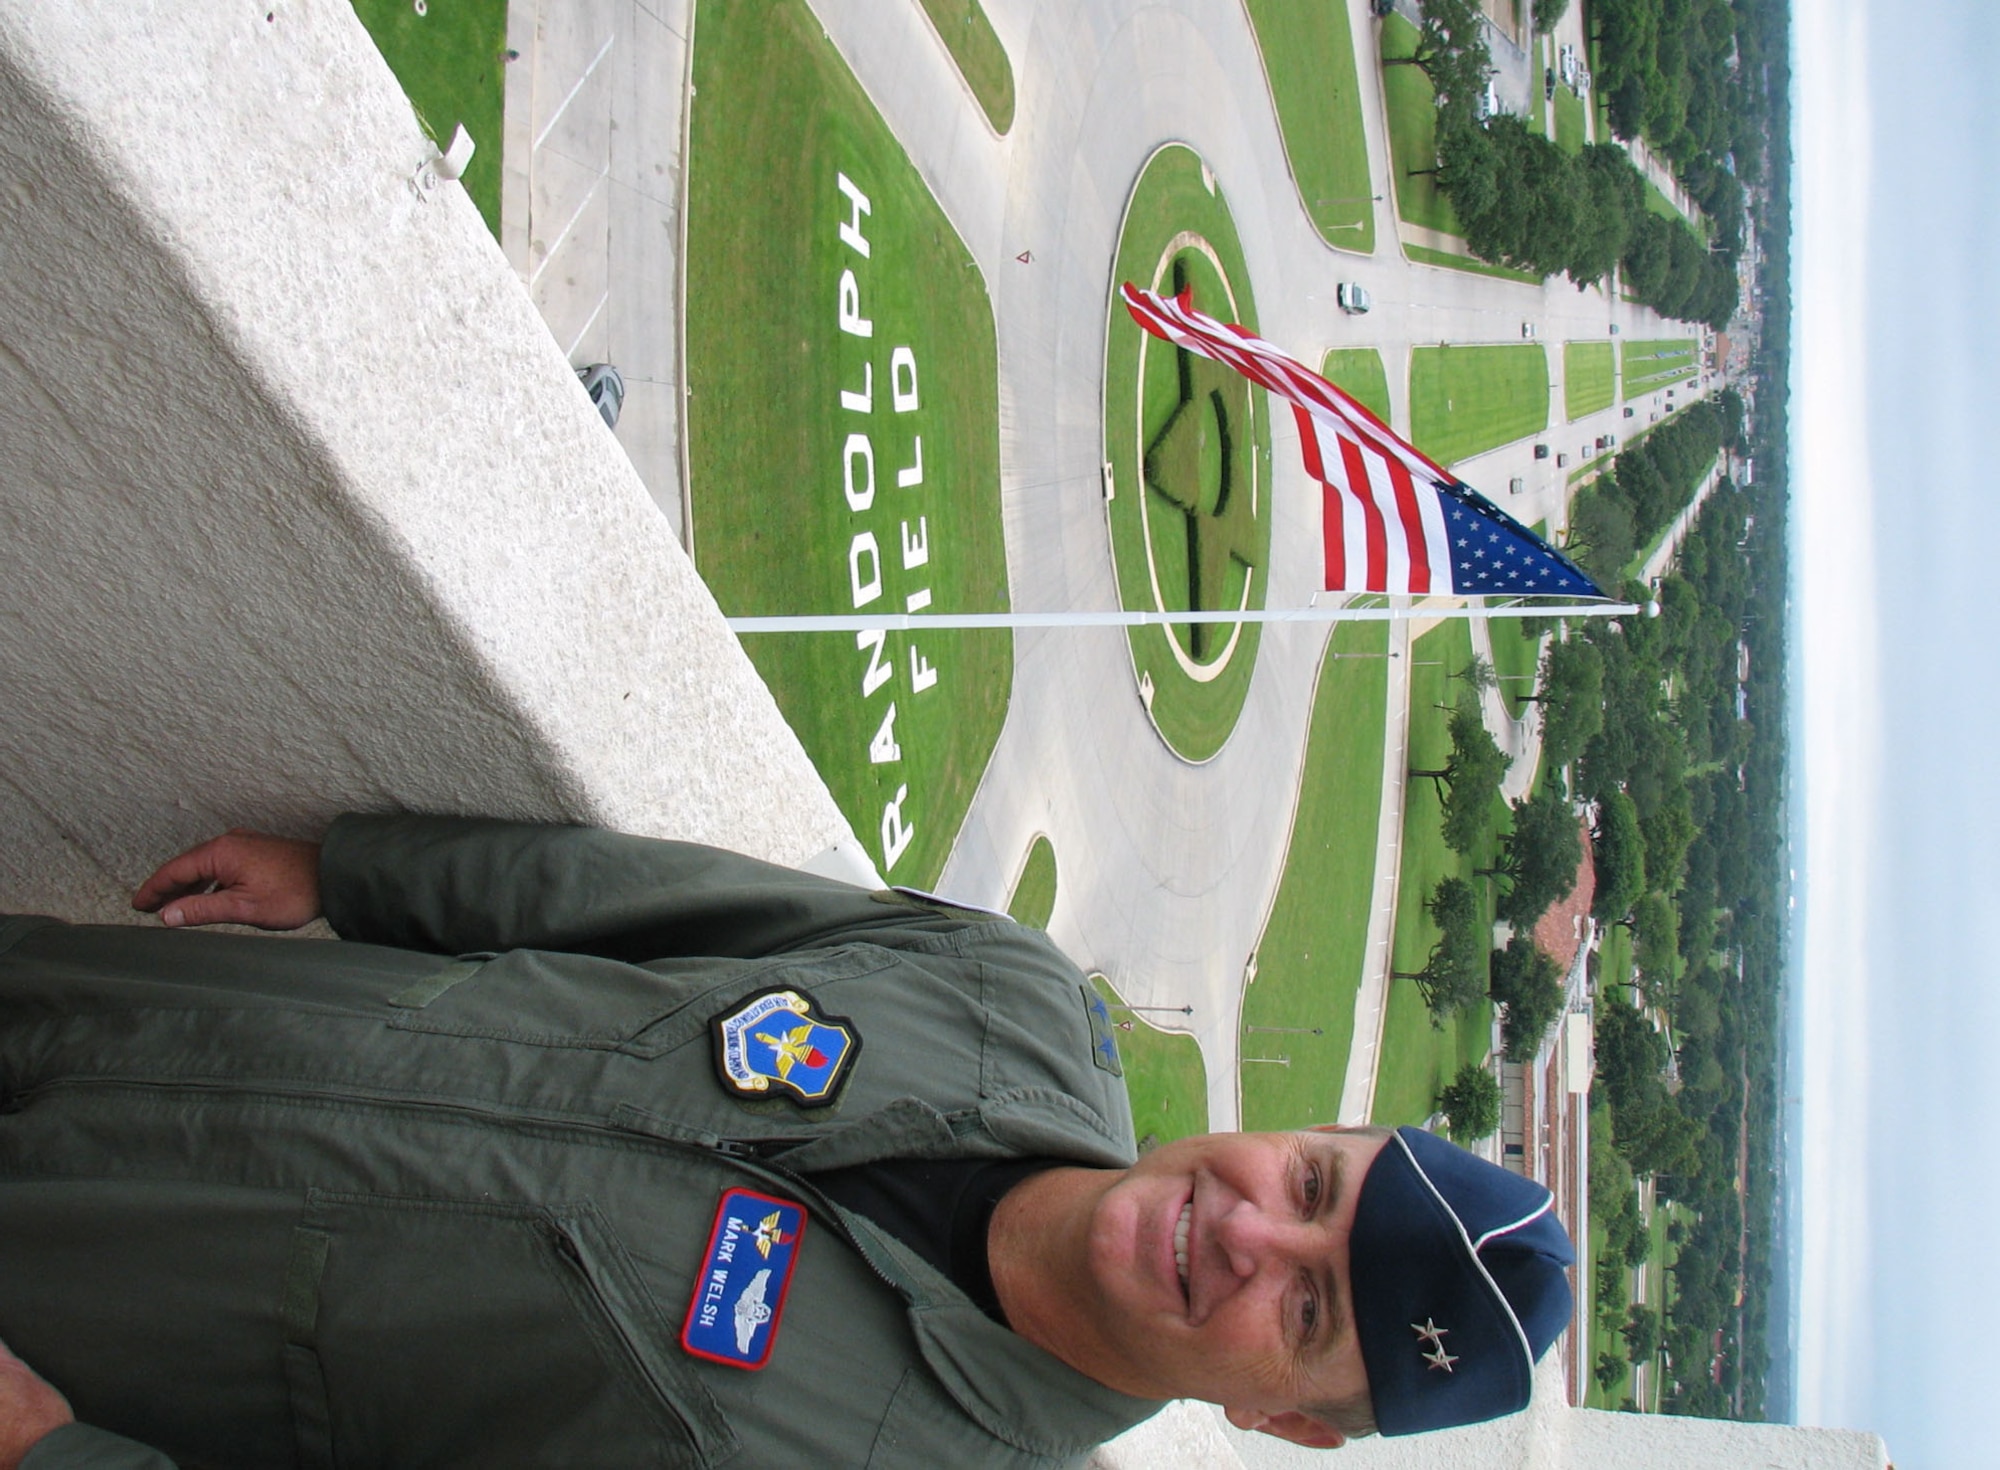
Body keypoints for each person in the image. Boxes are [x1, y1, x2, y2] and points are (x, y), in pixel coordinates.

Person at [0, 816, 1573, 1467]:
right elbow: (626, 899)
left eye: (1309, 1309)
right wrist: (347, 865)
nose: (1246, 1233)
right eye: (1311, 1187)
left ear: (1288, 1425)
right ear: (1299, 1129)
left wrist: (63, 1457)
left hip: (84, 1310)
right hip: (134, 1008)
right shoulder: (1005, 993)